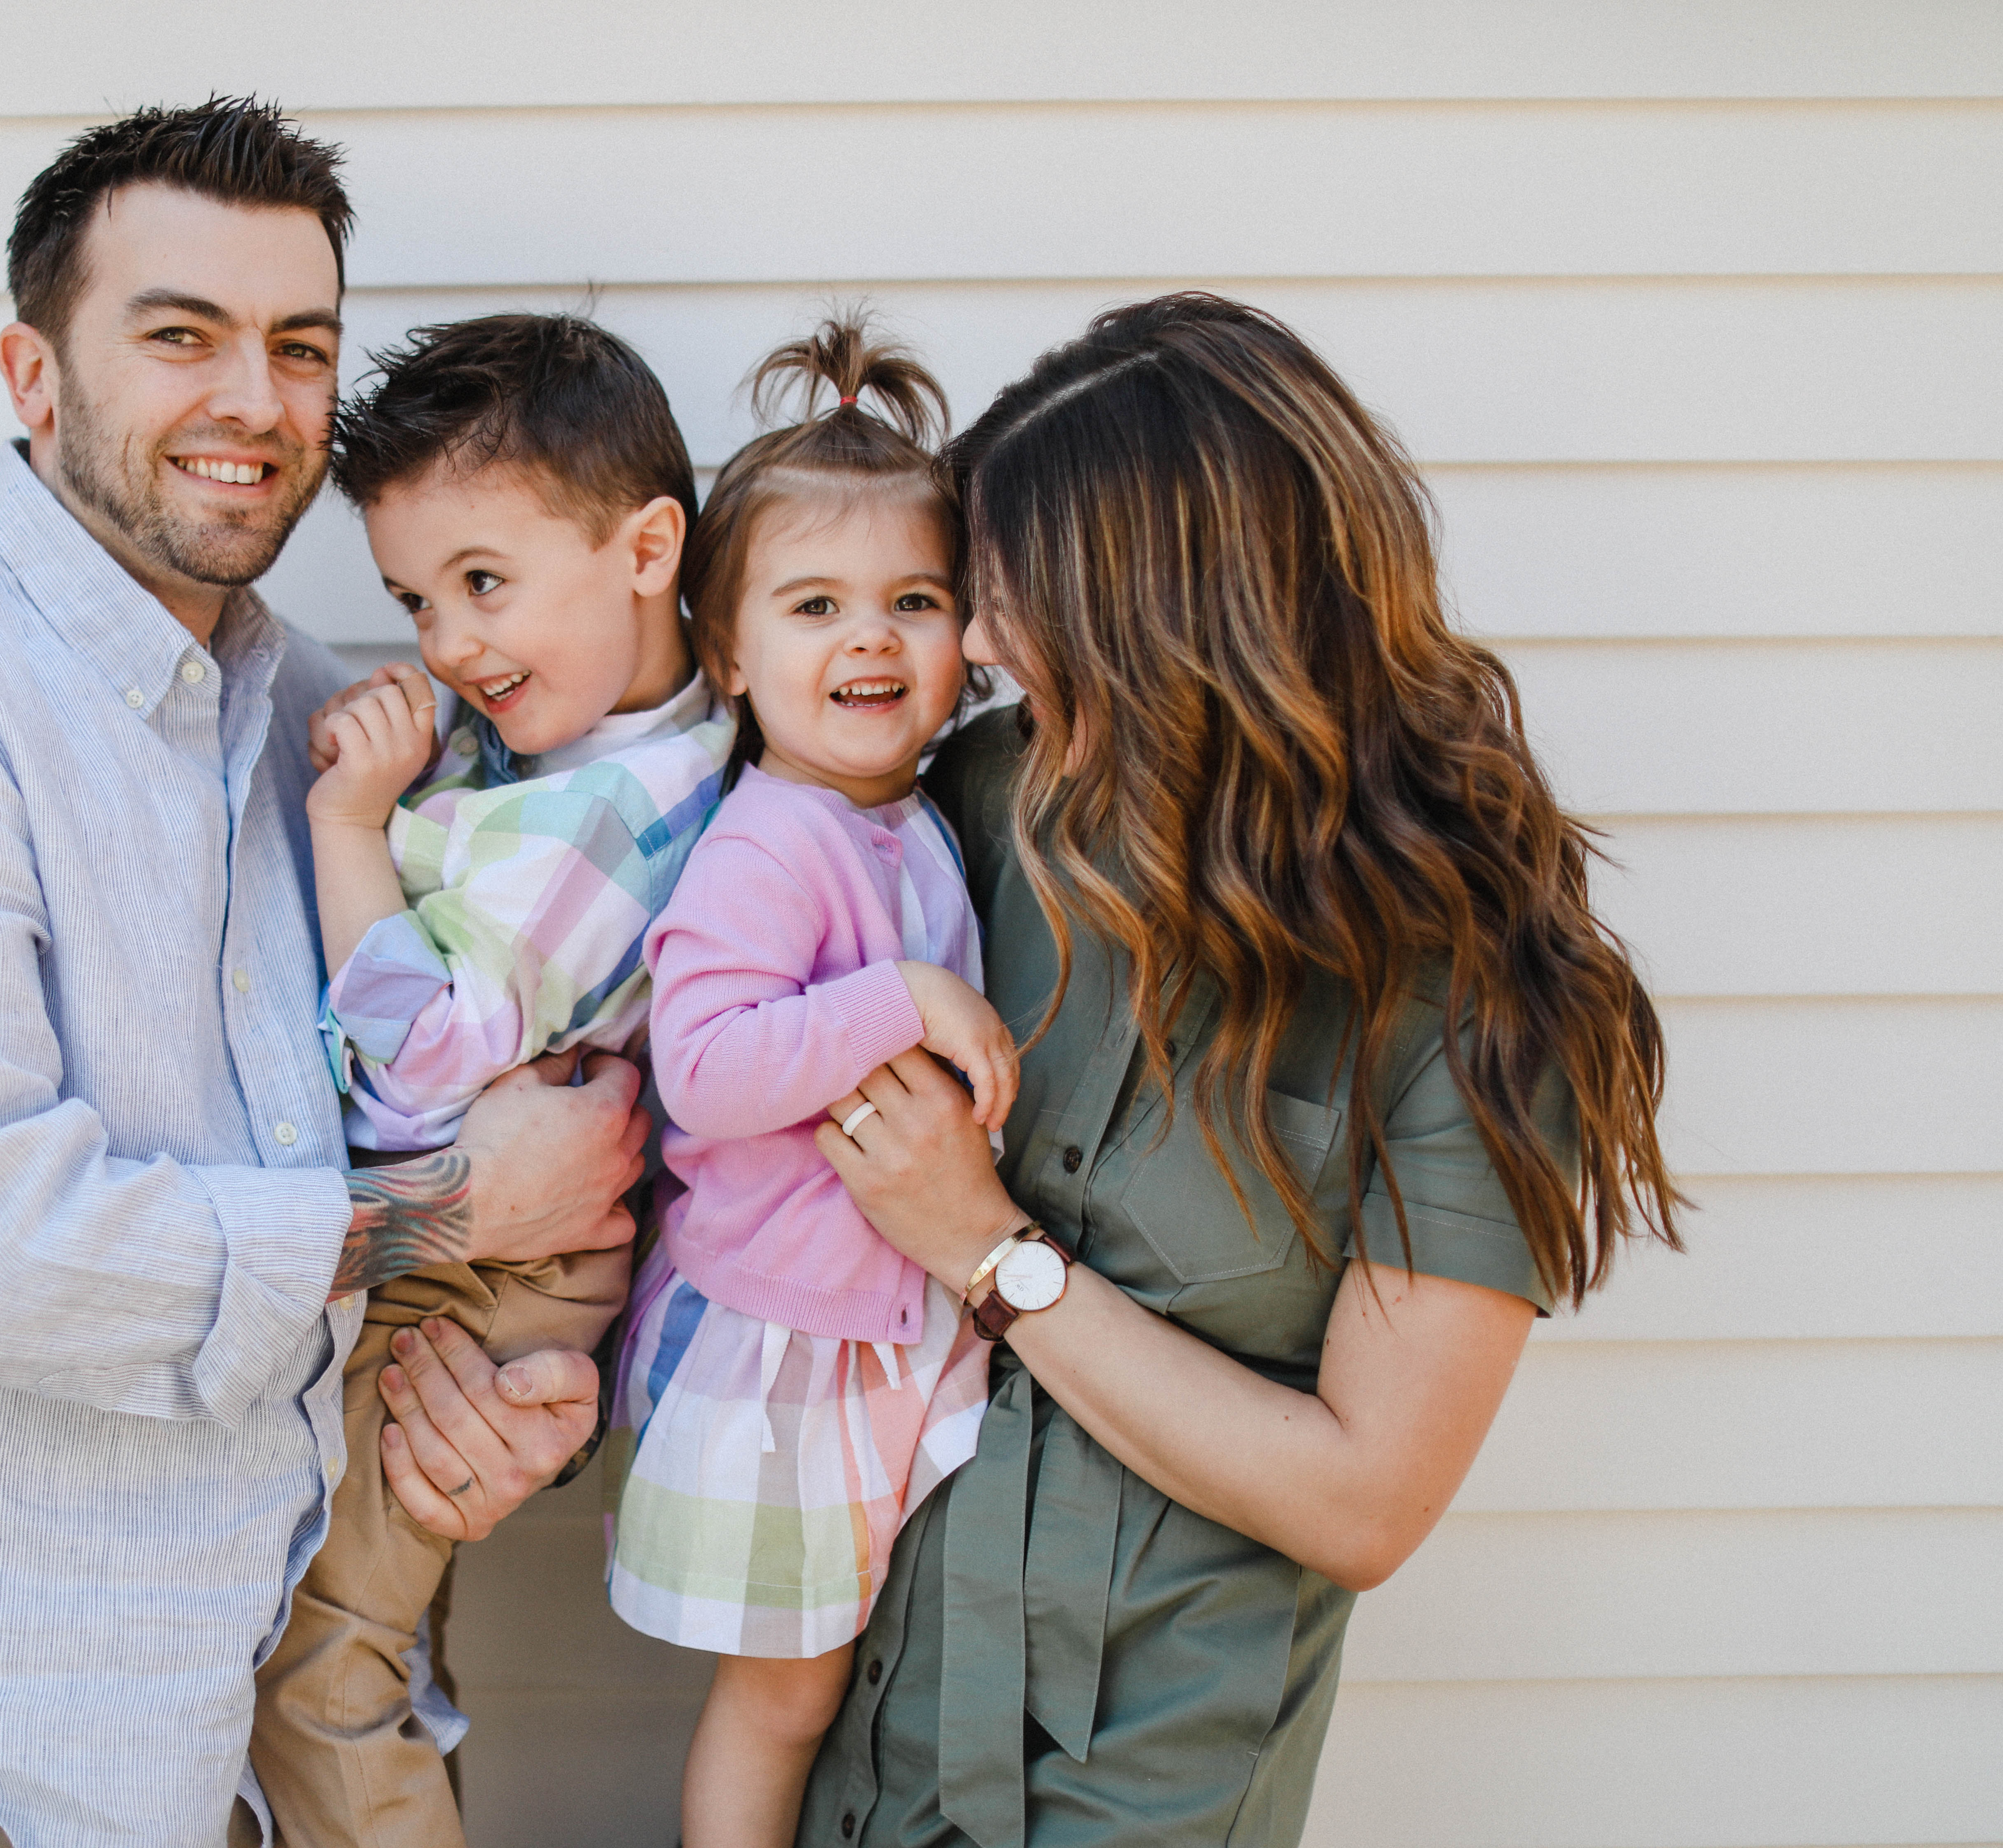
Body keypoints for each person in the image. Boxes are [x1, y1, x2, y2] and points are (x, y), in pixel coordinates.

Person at [0, 101, 643, 1848]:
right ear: (32, 376)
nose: (254, 401)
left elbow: (505, 1128)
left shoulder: (340, 734)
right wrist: (445, 1216)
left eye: (299, 348)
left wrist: (495, 1410)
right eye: (180, 335)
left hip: (262, 1760)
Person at [792, 292, 1685, 1847]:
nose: (980, 647)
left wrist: (991, 1255)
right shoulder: (987, 805)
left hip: (1148, 1776)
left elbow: (1364, 1499)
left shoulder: (1480, 998)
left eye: (1015, 605)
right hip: (857, 1732)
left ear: (1176, 623)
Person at [248, 313, 735, 1847]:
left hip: (483, 1280)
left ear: (650, 545)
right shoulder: (623, 747)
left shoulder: (600, 823)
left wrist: (349, 825)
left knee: (323, 1666)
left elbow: (424, 1064)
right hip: (508, 1265)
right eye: (413, 598)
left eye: (483, 585)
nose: (449, 644)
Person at [598, 318, 1022, 1848]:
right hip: (787, 1348)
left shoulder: (908, 821)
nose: (873, 640)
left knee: (848, 1682)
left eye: (916, 602)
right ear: (730, 653)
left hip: (876, 1327)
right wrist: (899, 994)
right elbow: (705, 1071)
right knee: (782, 1698)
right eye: (817, 605)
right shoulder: (772, 839)